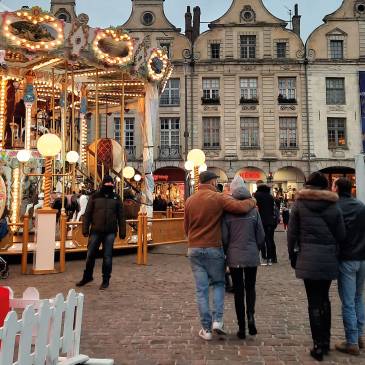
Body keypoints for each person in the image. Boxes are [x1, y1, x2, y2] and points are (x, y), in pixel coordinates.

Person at [184, 171, 256, 341]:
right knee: (218, 284)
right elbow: (241, 208)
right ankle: (217, 321)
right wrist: (252, 200)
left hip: (194, 248)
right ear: (213, 181)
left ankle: (206, 330)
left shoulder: (189, 200)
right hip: (213, 247)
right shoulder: (217, 197)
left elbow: (185, 228)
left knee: (201, 290)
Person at [287, 172, 346, 361]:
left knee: (313, 301)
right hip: (328, 258)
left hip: (307, 257)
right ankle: (326, 341)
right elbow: (341, 234)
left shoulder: (300, 204)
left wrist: (292, 256)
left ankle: (317, 345)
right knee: (324, 299)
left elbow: (291, 234)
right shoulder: (333, 205)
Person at [222, 176, 265, 339]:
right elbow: (260, 235)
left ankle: (241, 327)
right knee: (251, 287)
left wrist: (227, 251)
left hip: (234, 256)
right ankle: (251, 316)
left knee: (238, 291)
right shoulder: (254, 210)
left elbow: (225, 237)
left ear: (232, 191)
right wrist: (257, 249)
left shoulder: (228, 212)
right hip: (251, 255)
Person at [332, 178, 365, 355]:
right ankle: (359, 336)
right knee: (358, 298)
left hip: (347, 258)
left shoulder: (336, 207)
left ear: (336, 188)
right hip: (362, 257)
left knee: (348, 302)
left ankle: (351, 341)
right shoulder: (360, 205)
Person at [76, 175, 126, 290]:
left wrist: (122, 231)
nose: (108, 185)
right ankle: (87, 276)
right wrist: (85, 228)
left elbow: (121, 216)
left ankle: (106, 280)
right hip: (95, 230)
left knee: (107, 256)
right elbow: (87, 214)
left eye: (110, 184)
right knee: (90, 255)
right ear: (103, 184)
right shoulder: (94, 197)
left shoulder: (116, 198)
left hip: (110, 231)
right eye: (107, 184)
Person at [254, 181, 277, 265]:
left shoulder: (256, 195)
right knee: (270, 239)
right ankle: (272, 258)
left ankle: (264, 257)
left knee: (262, 239)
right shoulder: (270, 196)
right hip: (270, 221)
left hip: (261, 220)